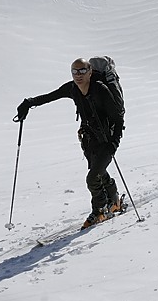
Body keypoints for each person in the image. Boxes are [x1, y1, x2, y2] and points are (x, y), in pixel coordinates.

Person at [15, 58, 125, 228]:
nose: (78, 75)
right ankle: (114, 200)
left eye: (82, 71)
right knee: (98, 172)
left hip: (107, 138)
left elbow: (117, 118)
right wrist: (29, 103)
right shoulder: (72, 88)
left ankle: (100, 210)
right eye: (75, 71)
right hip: (90, 139)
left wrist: (114, 142)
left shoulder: (101, 89)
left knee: (92, 178)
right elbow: (51, 96)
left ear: (90, 72)